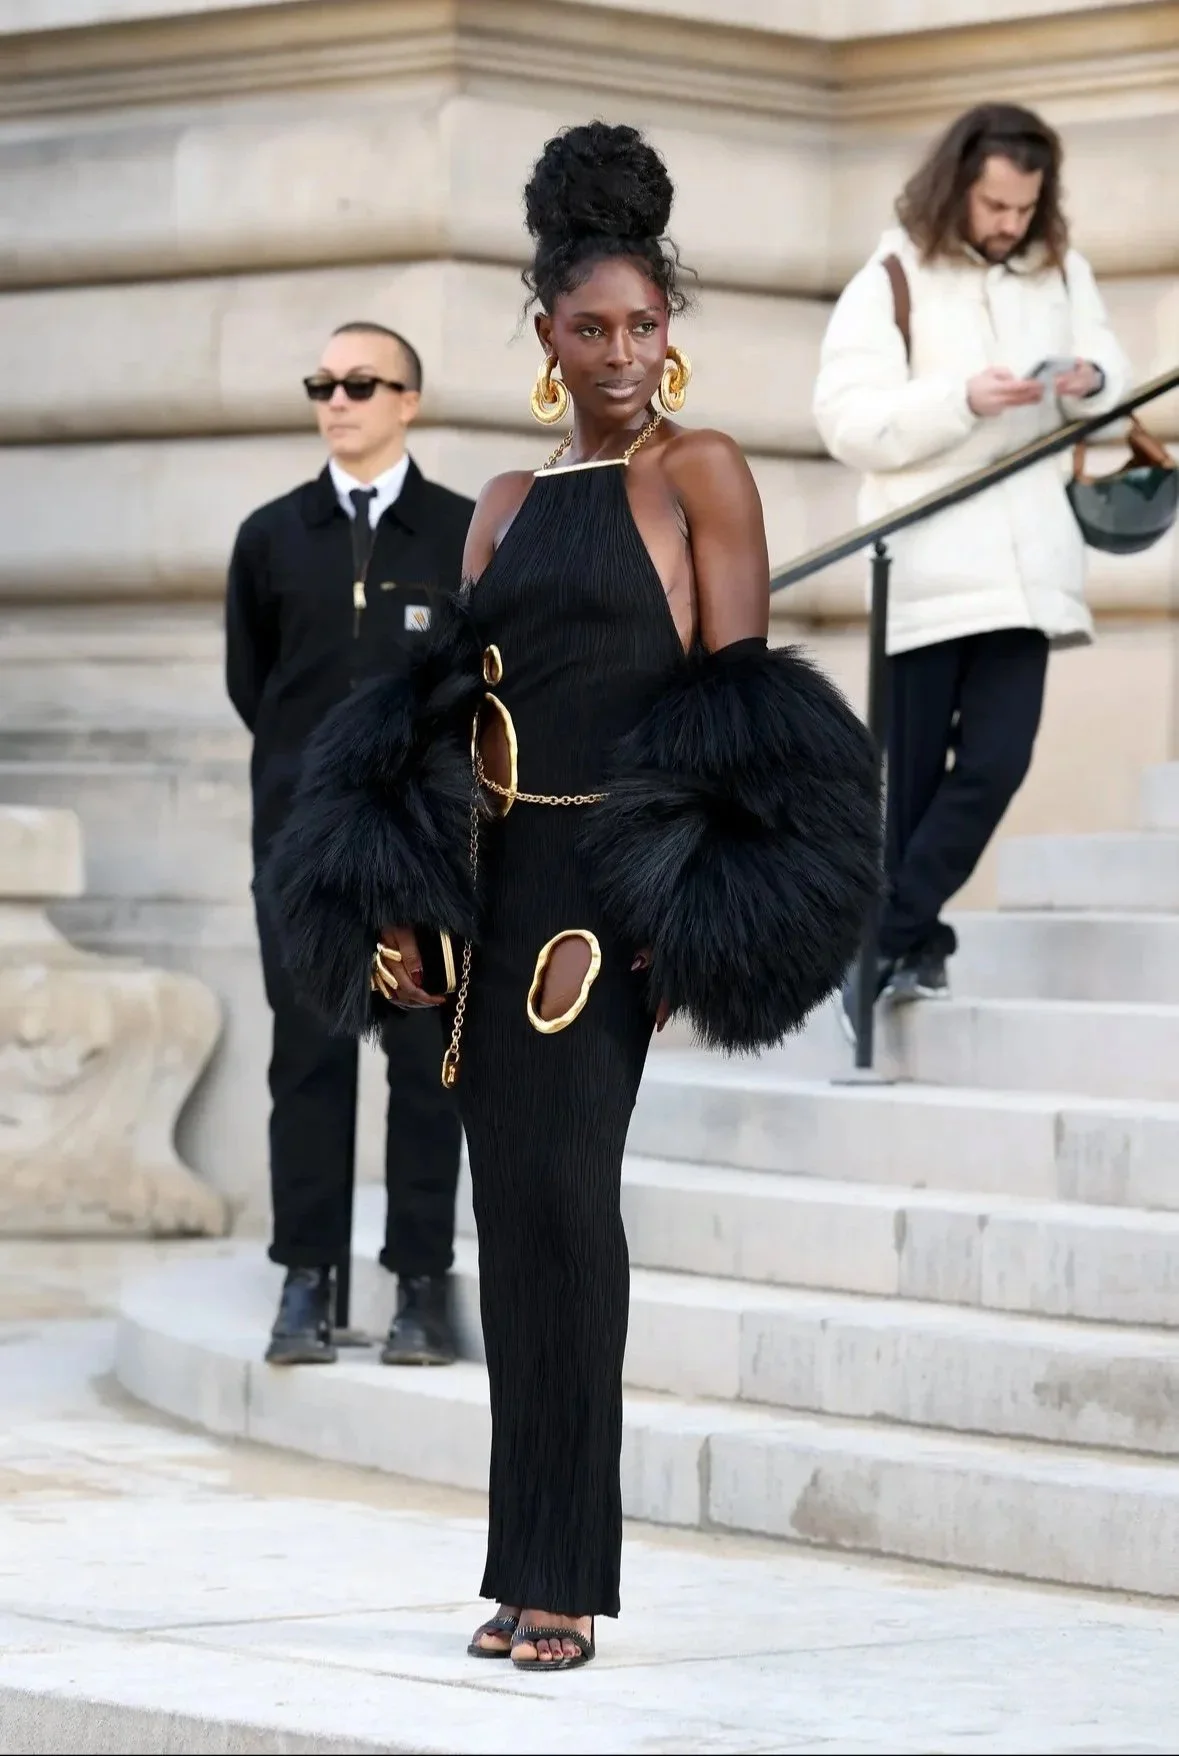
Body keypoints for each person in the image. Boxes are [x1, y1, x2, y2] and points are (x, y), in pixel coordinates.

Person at [263, 124, 879, 1668]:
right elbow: (443, 719)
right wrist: (398, 898)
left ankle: (562, 1576)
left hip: (610, 897)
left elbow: (738, 704)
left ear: (670, 331)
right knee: (508, 1221)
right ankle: (520, 1566)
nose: (619, 354)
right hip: (495, 894)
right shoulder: (499, 502)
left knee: (565, 1213)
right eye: (588, 328)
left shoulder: (702, 473)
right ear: (543, 336)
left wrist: (690, 914)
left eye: (643, 326)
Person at [813, 102, 1129, 1034]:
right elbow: (847, 420)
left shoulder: (1061, 271)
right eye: (993, 204)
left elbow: (1111, 396)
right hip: (922, 563)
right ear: (958, 187)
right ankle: (914, 947)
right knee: (906, 789)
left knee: (995, 761)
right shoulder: (892, 275)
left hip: (1029, 569)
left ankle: (881, 937)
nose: (1007, 223)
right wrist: (961, 398)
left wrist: (1088, 383)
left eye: (1023, 207)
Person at [225, 320, 474, 1368]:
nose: (338, 399)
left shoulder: (464, 530)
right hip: (303, 852)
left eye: (362, 383)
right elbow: (255, 684)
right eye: (323, 382)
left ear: (407, 401)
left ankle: (419, 1284)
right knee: (309, 1062)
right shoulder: (271, 535)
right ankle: (305, 1280)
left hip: (424, 851)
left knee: (426, 1066)